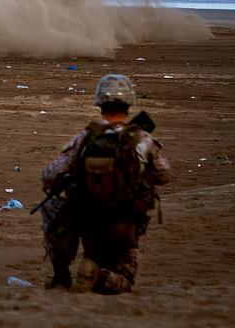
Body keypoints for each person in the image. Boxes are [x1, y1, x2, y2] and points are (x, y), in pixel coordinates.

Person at [39, 74, 171, 294]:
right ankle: (99, 276)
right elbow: (164, 175)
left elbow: (50, 175)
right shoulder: (142, 139)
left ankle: (61, 275)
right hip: (124, 223)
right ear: (129, 103)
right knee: (124, 280)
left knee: (50, 206)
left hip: (87, 220)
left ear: (99, 103)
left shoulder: (87, 137)